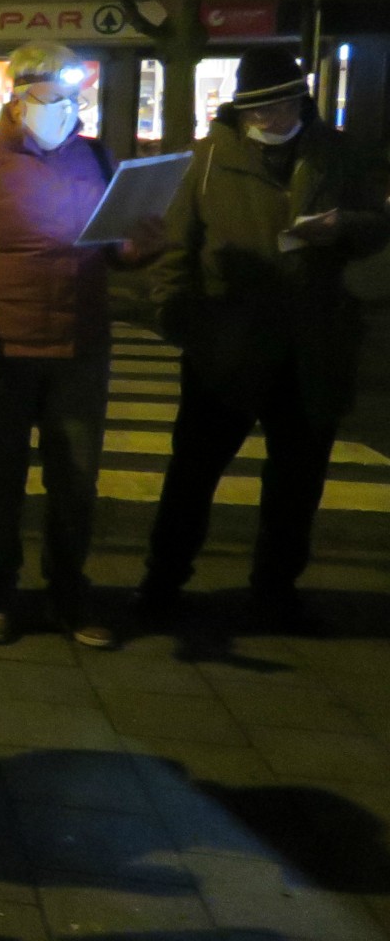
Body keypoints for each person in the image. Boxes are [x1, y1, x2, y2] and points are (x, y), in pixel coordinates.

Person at [137, 49, 390, 633]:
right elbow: (178, 250)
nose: (268, 119)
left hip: (311, 346)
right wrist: (182, 323)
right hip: (226, 346)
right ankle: (161, 583)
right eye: (255, 109)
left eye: (277, 105)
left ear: (299, 97)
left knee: (296, 484)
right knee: (193, 475)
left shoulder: (339, 153)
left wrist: (342, 228)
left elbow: (377, 225)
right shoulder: (209, 158)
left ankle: (275, 592)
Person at [0, 43, 160, 649]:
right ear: (16, 98)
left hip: (80, 351)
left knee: (76, 482)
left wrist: (142, 243)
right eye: (44, 96)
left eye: (68, 97)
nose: (58, 108)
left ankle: (68, 591)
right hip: (7, 354)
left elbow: (115, 250)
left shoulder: (97, 158)